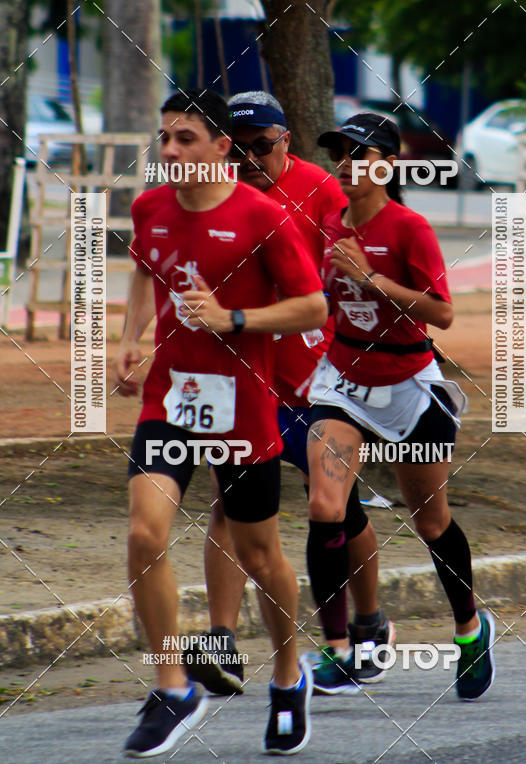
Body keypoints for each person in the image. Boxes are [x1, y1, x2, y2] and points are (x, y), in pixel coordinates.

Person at [114, 88, 328, 756]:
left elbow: (312, 307)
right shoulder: (150, 207)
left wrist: (234, 319)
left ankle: (288, 677)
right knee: (144, 533)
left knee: (260, 554)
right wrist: (131, 338)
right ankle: (173, 688)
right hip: (171, 398)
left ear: (220, 147)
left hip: (242, 402)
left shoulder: (262, 216)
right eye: (165, 138)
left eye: (185, 138)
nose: (171, 150)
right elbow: (145, 271)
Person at [192, 90, 394, 699]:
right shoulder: (214, 193)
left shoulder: (322, 190)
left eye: (262, 145)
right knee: (228, 505)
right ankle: (221, 641)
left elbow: (357, 270)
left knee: (336, 504)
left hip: (317, 377)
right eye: (238, 149)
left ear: (285, 140)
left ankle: (368, 624)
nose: (250, 159)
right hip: (246, 373)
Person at [302, 112, 495, 699]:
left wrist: (373, 279)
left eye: (358, 154)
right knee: (325, 504)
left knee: (430, 521)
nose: (346, 164)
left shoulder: (410, 228)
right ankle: (341, 648)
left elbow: (443, 314)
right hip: (343, 382)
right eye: (339, 153)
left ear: (388, 164)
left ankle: (470, 628)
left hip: (410, 386)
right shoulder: (328, 224)